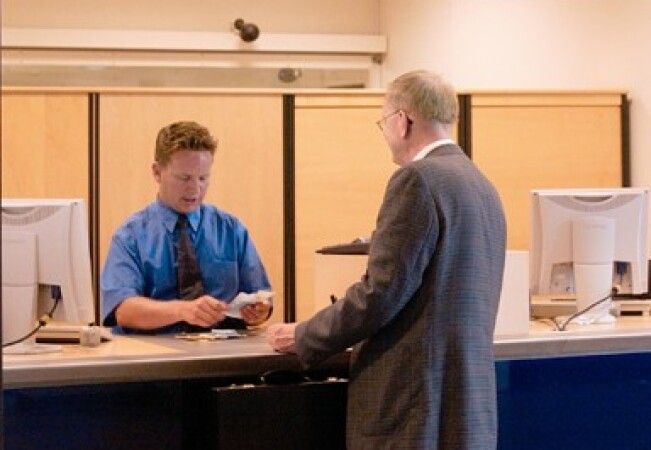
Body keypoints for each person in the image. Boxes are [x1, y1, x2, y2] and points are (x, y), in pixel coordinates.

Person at [268, 70, 507, 449]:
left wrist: (305, 335)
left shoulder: (417, 180)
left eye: (383, 123)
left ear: (402, 120)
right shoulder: (482, 185)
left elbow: (381, 293)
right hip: (466, 407)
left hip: (413, 408)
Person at [101, 121, 272, 334]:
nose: (195, 189)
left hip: (224, 348)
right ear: (157, 172)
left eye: (203, 178)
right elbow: (123, 310)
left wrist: (259, 311)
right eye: (184, 178)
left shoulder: (231, 229)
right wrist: (183, 311)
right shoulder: (130, 236)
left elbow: (261, 297)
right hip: (155, 350)